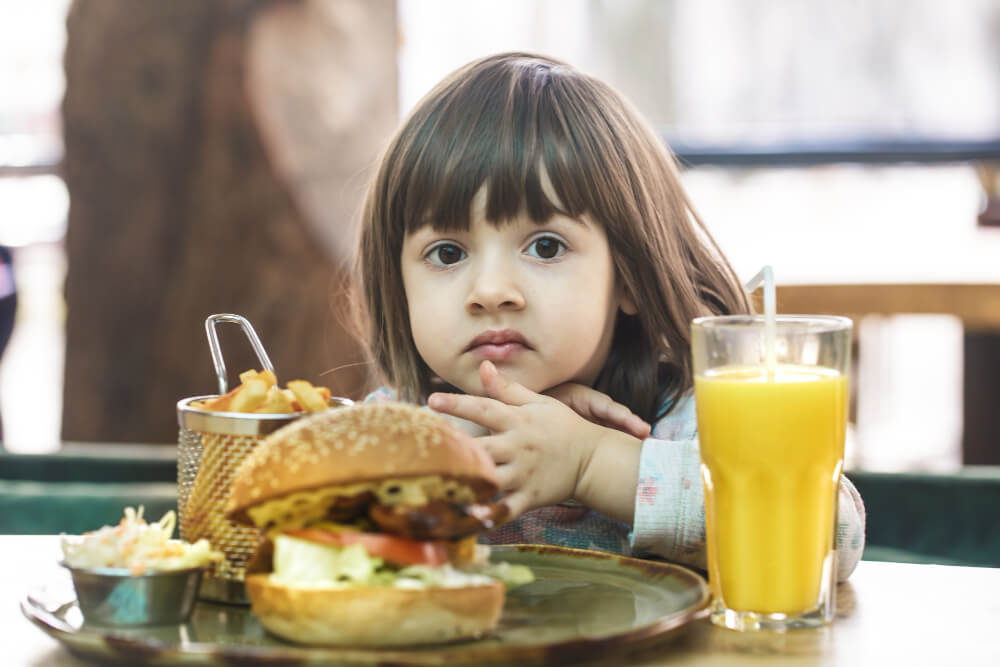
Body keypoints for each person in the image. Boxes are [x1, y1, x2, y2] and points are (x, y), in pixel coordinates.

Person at [352, 52, 865, 579]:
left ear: (628, 276)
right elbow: (281, 541)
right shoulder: (388, 430)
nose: (490, 292)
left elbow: (831, 537)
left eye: (546, 247)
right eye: (447, 253)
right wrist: (449, 447)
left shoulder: (686, 423)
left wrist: (595, 462)